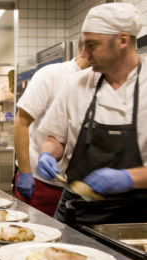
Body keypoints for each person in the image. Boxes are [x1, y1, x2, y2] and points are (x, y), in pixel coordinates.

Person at [36, 3, 147, 225]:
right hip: (77, 212)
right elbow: (55, 137)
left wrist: (129, 178)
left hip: (137, 221)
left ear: (123, 41)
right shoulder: (76, 84)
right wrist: (47, 154)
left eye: (92, 45)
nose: (84, 54)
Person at [13, 37, 90, 217]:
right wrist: (25, 172)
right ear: (86, 49)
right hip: (41, 183)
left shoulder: (101, 81)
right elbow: (21, 123)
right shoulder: (51, 75)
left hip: (81, 191)